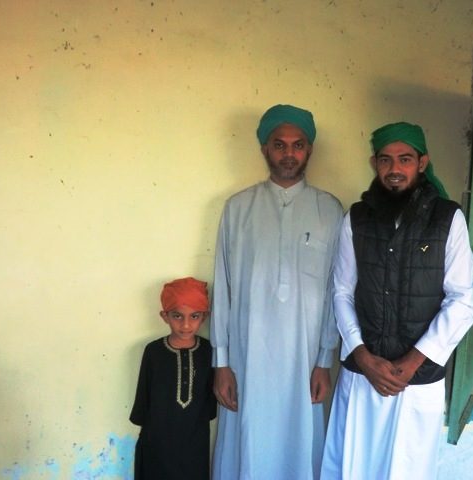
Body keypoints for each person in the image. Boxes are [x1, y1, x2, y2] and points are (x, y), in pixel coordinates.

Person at [320, 122, 473, 479]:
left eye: (405, 159)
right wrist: (362, 355)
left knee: (406, 470)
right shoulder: (357, 218)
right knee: (352, 466)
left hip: (418, 380)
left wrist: (412, 362)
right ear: (374, 163)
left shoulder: (447, 218)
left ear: (422, 163)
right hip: (362, 375)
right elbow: (341, 291)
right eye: (385, 160)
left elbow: (462, 301)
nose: (394, 169)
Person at [210, 104, 344, 479]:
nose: (289, 154)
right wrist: (221, 363)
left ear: (309, 149)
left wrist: (324, 359)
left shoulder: (330, 210)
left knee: (300, 444)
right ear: (265, 149)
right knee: (247, 442)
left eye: (298, 145)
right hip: (246, 357)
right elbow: (222, 286)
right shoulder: (238, 208)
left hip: (304, 360)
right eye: (279, 144)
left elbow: (336, 291)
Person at [130, 277, 216, 480]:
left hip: (195, 442)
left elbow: (210, 405)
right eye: (177, 316)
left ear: (204, 317)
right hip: (157, 442)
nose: (186, 324)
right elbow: (144, 396)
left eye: (194, 316)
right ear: (164, 316)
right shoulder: (154, 351)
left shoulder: (209, 351)